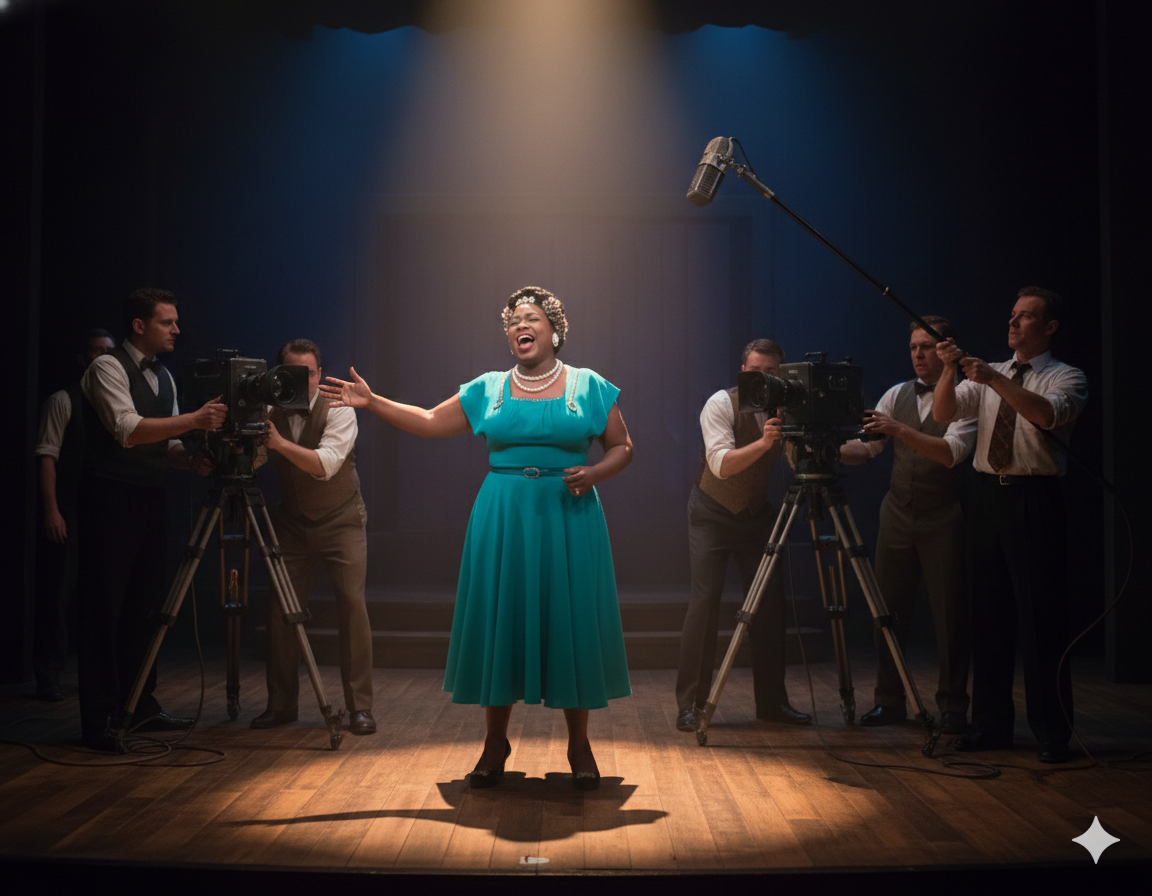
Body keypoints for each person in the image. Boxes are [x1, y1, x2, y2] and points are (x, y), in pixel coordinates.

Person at [321, 286, 633, 790]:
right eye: (512, 321)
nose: (520, 326)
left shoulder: (589, 384)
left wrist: (595, 473)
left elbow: (623, 447)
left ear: (555, 331)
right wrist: (372, 402)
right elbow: (428, 421)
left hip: (568, 515)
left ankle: (579, 744)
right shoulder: (489, 387)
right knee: (501, 621)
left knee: (569, 623)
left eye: (531, 318)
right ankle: (494, 743)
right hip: (504, 515)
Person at [933, 287, 1087, 763]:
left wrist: (994, 379)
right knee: (988, 616)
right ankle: (990, 725)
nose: (1013, 323)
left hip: (1034, 497)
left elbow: (1045, 415)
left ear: (1049, 327)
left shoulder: (1066, 376)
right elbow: (942, 413)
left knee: (1042, 619)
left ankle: (1052, 732)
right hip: (987, 496)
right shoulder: (987, 373)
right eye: (1013, 315)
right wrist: (948, 369)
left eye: (1026, 316)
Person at [78, 288, 227, 752]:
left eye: (176, 321)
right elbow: (126, 430)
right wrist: (196, 420)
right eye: (167, 322)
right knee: (105, 609)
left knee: (145, 607)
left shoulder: (163, 376)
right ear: (139, 325)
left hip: (150, 497)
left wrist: (193, 462)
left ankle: (140, 706)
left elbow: (168, 446)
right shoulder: (106, 368)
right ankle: (99, 720)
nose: (177, 329)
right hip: (110, 497)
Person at [839, 316, 976, 734]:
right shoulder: (896, 394)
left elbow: (950, 453)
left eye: (926, 347)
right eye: (913, 347)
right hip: (897, 511)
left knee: (950, 616)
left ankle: (953, 706)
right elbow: (868, 448)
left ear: (946, 349)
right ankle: (889, 700)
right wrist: (824, 450)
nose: (918, 354)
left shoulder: (968, 394)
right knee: (887, 609)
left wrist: (899, 429)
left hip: (943, 513)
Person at [675, 339, 811, 733]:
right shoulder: (721, 403)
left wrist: (794, 440)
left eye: (772, 372)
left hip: (755, 513)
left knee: (769, 605)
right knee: (705, 603)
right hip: (712, 513)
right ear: (743, 370)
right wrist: (766, 441)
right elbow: (720, 464)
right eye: (756, 371)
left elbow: (795, 462)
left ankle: (772, 703)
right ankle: (691, 705)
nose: (764, 379)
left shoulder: (786, 406)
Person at [252, 339, 375, 736]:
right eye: (292, 373)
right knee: (280, 611)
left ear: (319, 374)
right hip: (292, 522)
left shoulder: (338, 409)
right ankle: (281, 705)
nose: (302, 381)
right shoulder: (270, 411)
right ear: (279, 375)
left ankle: (360, 707)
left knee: (352, 606)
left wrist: (277, 443)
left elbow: (325, 465)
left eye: (308, 374)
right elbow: (255, 460)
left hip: (341, 519)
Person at [33, 329, 116, 701]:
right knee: (58, 595)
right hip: (68, 506)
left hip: (102, 509)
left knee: (100, 597)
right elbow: (46, 456)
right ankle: (48, 675)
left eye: (108, 352)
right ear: (84, 359)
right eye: (97, 351)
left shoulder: (114, 402)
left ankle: (96, 677)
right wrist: (52, 510)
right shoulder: (63, 400)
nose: (103, 358)